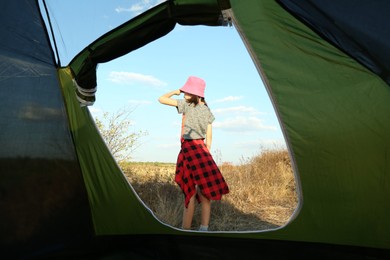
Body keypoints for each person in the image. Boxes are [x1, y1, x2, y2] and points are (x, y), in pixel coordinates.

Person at [158, 76, 229, 231]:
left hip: (189, 149)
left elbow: (161, 99)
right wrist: (205, 154)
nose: (184, 93)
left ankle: (185, 230)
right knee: (205, 195)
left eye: (187, 90)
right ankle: (204, 229)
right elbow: (209, 139)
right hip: (203, 151)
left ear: (195, 93)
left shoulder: (188, 105)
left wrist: (176, 91)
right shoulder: (208, 111)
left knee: (189, 194)